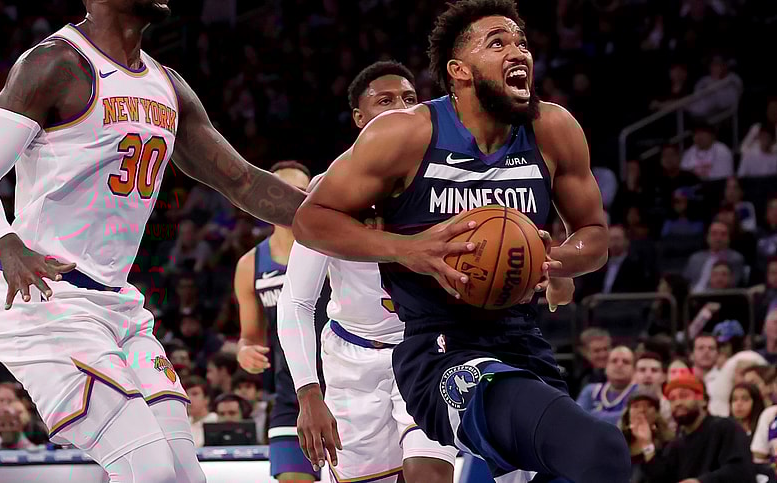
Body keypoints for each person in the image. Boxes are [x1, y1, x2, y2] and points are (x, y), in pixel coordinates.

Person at [0, 1, 306, 481]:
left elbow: (242, 183)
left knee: (185, 475)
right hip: (46, 298)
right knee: (148, 470)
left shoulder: (169, 86)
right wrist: (5, 242)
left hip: (118, 306)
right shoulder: (56, 63)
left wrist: (344, 218)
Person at [292, 1, 630, 481]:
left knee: (592, 466)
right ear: (459, 71)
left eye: (522, 43)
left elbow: (594, 236)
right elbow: (311, 220)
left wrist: (553, 260)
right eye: (498, 43)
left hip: (522, 341)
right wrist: (409, 250)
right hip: (441, 350)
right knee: (599, 448)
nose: (519, 52)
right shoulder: (406, 135)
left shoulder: (552, 129)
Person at [278, 61, 464, 483]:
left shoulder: (445, 182)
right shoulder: (329, 190)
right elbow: (297, 299)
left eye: (410, 99)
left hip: (425, 348)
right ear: (360, 119)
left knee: (430, 476)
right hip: (352, 361)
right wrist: (308, 393)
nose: (401, 108)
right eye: (386, 101)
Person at [235, 161, 316, 481]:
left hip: (342, 386)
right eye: (285, 191)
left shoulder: (334, 247)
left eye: (303, 192)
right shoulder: (250, 264)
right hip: (290, 395)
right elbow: (250, 337)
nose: (295, 198)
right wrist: (245, 352)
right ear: (265, 199)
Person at [633, 375, 756, 482]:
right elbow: (660, 478)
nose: (678, 403)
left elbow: (741, 471)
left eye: (684, 395)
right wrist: (646, 443)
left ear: (702, 400)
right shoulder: (675, 445)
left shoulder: (726, 428)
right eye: (672, 399)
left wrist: (701, 482)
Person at [577, 346, 637, 425]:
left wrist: (593, 414)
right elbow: (578, 418)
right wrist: (621, 415)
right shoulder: (591, 391)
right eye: (614, 361)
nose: (619, 365)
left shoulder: (639, 393)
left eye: (626, 362)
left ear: (634, 369)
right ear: (606, 367)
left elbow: (632, 419)